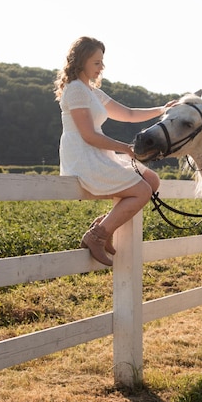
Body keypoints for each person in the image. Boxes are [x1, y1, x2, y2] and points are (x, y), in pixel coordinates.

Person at [54, 36, 175, 266]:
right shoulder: (76, 90)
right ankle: (96, 236)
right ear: (81, 61)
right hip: (83, 156)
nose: (101, 68)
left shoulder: (92, 92)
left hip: (98, 153)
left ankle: (104, 227)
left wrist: (162, 109)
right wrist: (125, 149)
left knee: (151, 180)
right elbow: (88, 135)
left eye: (102, 62)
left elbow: (128, 114)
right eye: (96, 62)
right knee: (141, 190)